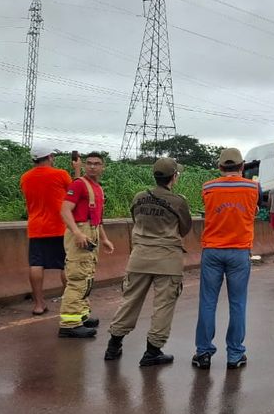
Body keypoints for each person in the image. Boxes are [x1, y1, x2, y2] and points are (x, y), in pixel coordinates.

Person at [105, 157, 192, 366]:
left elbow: (136, 220)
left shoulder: (139, 197)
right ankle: (152, 351)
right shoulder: (178, 201)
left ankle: (113, 345)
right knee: (163, 306)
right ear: (174, 177)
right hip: (167, 260)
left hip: (139, 258)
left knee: (130, 301)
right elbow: (185, 228)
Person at [193, 148, 259, 370]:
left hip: (212, 250)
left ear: (220, 167)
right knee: (237, 304)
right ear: (242, 166)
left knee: (208, 302)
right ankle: (235, 354)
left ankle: (203, 353)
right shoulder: (252, 187)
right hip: (239, 252)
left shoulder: (208, 187)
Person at [57, 151, 114, 338]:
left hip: (92, 231)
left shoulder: (97, 188)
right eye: (89, 163)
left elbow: (98, 219)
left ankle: (81, 314)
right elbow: (65, 210)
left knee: (87, 275)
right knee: (78, 277)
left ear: (102, 167)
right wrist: (77, 232)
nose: (92, 166)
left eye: (96, 163)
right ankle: (69, 323)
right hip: (81, 231)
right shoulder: (79, 185)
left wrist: (104, 239)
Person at [20, 145, 79, 315]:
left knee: (36, 264)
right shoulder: (60, 174)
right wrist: (76, 171)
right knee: (66, 265)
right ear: (49, 157)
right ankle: (69, 302)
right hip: (60, 226)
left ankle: (39, 304)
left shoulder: (25, 177)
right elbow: (75, 193)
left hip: (36, 227)